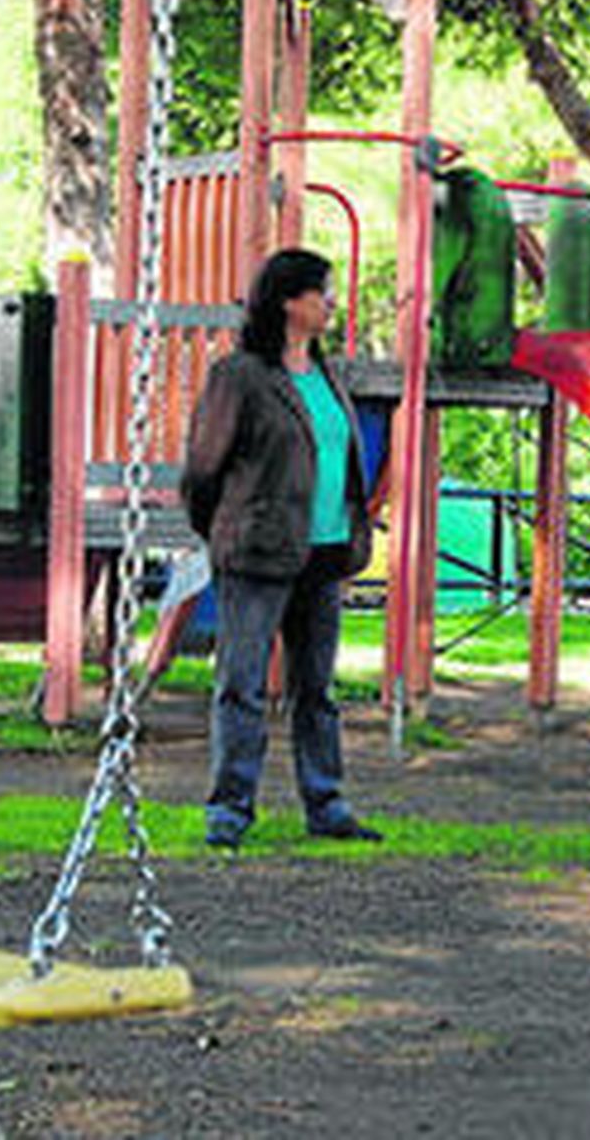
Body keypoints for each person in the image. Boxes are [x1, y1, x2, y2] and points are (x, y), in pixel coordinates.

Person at [180, 248, 381, 850]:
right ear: (291, 301)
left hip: (323, 554)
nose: (333, 302)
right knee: (241, 685)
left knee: (317, 689)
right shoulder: (240, 376)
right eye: (323, 291)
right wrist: (225, 533)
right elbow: (203, 470)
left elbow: (341, 461)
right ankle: (230, 810)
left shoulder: (327, 374)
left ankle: (327, 803)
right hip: (257, 555)